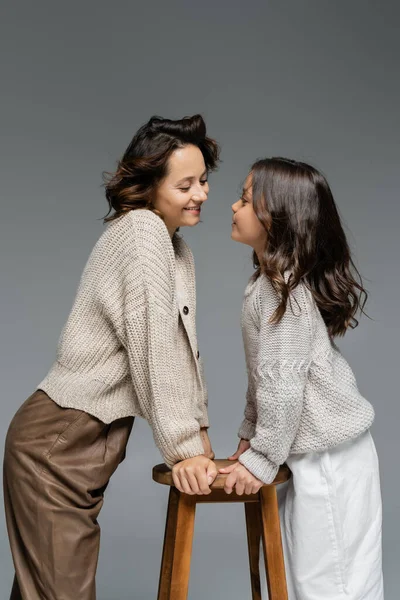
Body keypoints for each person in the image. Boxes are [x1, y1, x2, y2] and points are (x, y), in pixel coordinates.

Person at [3, 114, 219, 600]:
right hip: (56, 445)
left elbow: (185, 351)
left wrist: (200, 436)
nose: (201, 194)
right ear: (149, 185)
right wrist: (182, 447)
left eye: (203, 180)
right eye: (185, 184)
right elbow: (152, 350)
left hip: (78, 448)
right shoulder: (140, 231)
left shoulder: (175, 249)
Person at [220, 157, 384, 599]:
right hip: (311, 453)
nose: (233, 206)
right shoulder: (267, 284)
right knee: (306, 579)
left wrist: (262, 455)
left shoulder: (283, 290)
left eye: (245, 199)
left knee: (331, 583)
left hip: (330, 456)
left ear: (277, 219)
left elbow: (284, 383)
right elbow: (265, 378)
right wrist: (250, 434)